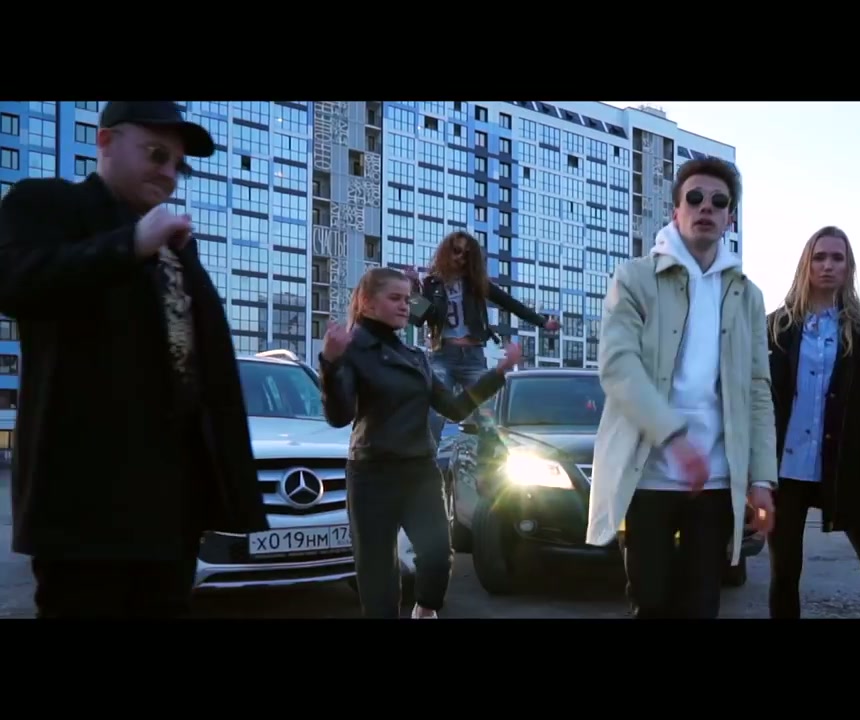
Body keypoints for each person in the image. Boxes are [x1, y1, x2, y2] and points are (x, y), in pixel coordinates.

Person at [0, 101, 267, 618]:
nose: (168, 174)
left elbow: (204, 369)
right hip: (86, 507)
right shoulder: (49, 203)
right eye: (156, 154)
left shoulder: (175, 245)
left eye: (178, 165)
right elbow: (15, 281)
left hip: (172, 505)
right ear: (105, 141)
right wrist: (131, 244)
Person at [586, 157, 777, 619]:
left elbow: (757, 389)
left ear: (730, 218)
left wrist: (760, 479)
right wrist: (673, 437)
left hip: (715, 479)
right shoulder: (634, 278)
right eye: (694, 198)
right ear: (676, 211)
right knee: (650, 600)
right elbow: (617, 366)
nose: (706, 207)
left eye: (719, 201)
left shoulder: (746, 295)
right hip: (649, 474)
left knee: (702, 603)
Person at [320, 266, 521, 619]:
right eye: (395, 298)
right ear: (367, 303)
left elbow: (454, 409)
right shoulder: (351, 352)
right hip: (372, 474)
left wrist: (498, 373)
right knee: (378, 574)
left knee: (437, 555)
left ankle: (425, 609)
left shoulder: (416, 357)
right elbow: (339, 416)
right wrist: (330, 365)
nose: (404, 305)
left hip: (420, 471)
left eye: (407, 299)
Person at [765, 226, 860, 619]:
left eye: (837, 258)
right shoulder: (775, 328)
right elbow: (759, 403)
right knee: (784, 571)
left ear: (849, 267)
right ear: (806, 265)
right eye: (820, 257)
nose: (828, 265)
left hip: (848, 466)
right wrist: (755, 472)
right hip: (786, 469)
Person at [417, 231, 559, 443]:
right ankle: (426, 460)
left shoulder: (477, 283)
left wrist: (542, 322)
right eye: (456, 251)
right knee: (434, 415)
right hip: (443, 355)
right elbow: (417, 318)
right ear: (446, 252)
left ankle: (491, 462)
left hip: (472, 356)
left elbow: (509, 303)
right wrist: (412, 292)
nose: (460, 258)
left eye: (467, 254)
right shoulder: (431, 284)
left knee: (487, 417)